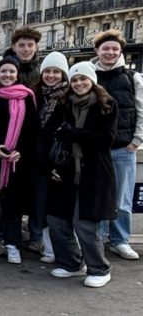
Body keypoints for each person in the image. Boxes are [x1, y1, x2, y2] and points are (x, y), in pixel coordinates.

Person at [45, 62, 118, 288]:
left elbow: (106, 139)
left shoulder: (107, 104)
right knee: (56, 219)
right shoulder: (64, 103)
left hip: (94, 172)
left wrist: (74, 134)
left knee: (85, 223)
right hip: (66, 169)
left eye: (83, 79)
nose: (78, 84)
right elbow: (52, 133)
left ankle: (100, 268)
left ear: (92, 81)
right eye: (75, 80)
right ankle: (72, 263)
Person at [91, 29, 142, 261]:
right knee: (97, 194)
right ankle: (98, 238)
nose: (110, 52)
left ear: (120, 51)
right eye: (106, 48)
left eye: (114, 48)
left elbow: (142, 111)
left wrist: (136, 140)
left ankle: (120, 240)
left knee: (122, 198)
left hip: (123, 148)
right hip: (96, 147)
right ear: (97, 51)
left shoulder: (133, 78)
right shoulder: (88, 74)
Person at [0, 57, 38, 264]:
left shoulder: (26, 97)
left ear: (17, 75)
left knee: (13, 205)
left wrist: (20, 151)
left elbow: (32, 130)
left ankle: (12, 244)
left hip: (17, 160)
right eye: (3, 71)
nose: (7, 75)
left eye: (11, 72)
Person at [31, 51, 70, 263]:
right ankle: (43, 244)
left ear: (63, 74)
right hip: (39, 158)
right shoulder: (36, 94)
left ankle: (58, 246)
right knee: (40, 203)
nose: (51, 75)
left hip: (60, 159)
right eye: (47, 71)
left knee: (58, 206)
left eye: (56, 71)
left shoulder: (69, 96)